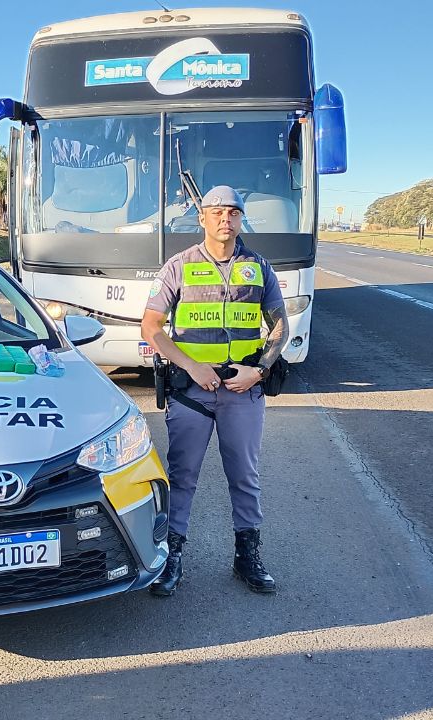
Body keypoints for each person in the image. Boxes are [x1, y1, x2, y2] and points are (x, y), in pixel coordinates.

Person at [140, 185, 289, 597]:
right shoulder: (178, 266)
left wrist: (258, 371)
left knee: (244, 476)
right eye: (218, 212)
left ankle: (247, 557)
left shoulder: (259, 267)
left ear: (241, 219)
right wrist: (191, 365)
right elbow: (151, 327)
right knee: (182, 476)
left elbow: (279, 326)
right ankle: (171, 557)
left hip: (243, 390)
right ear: (202, 218)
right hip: (192, 391)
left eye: (233, 213)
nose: (226, 219)